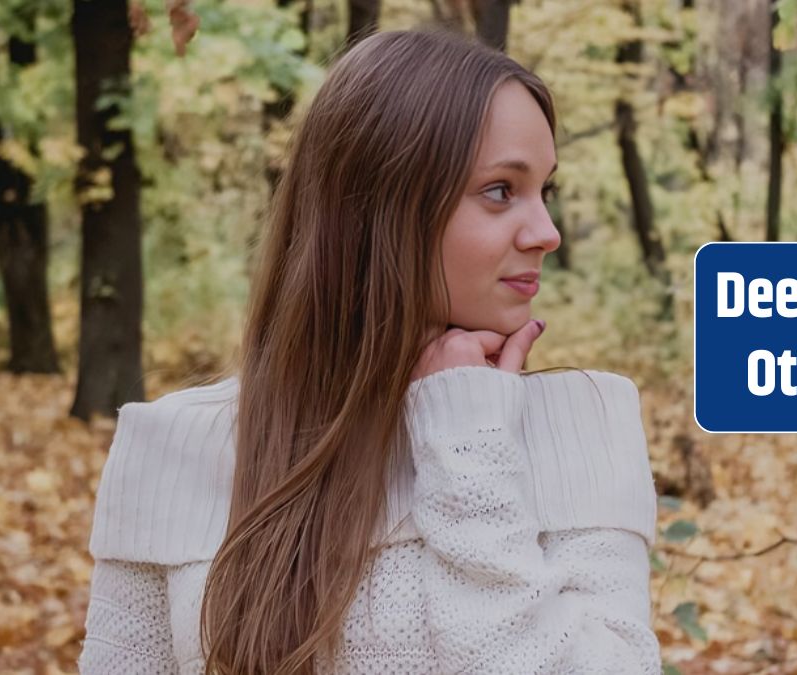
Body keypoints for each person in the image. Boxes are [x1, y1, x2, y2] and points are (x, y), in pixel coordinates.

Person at [78, 28, 661, 674]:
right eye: (501, 190)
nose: (547, 232)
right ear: (379, 206)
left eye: (544, 190)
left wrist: (468, 442)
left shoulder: (581, 424)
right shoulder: (176, 446)